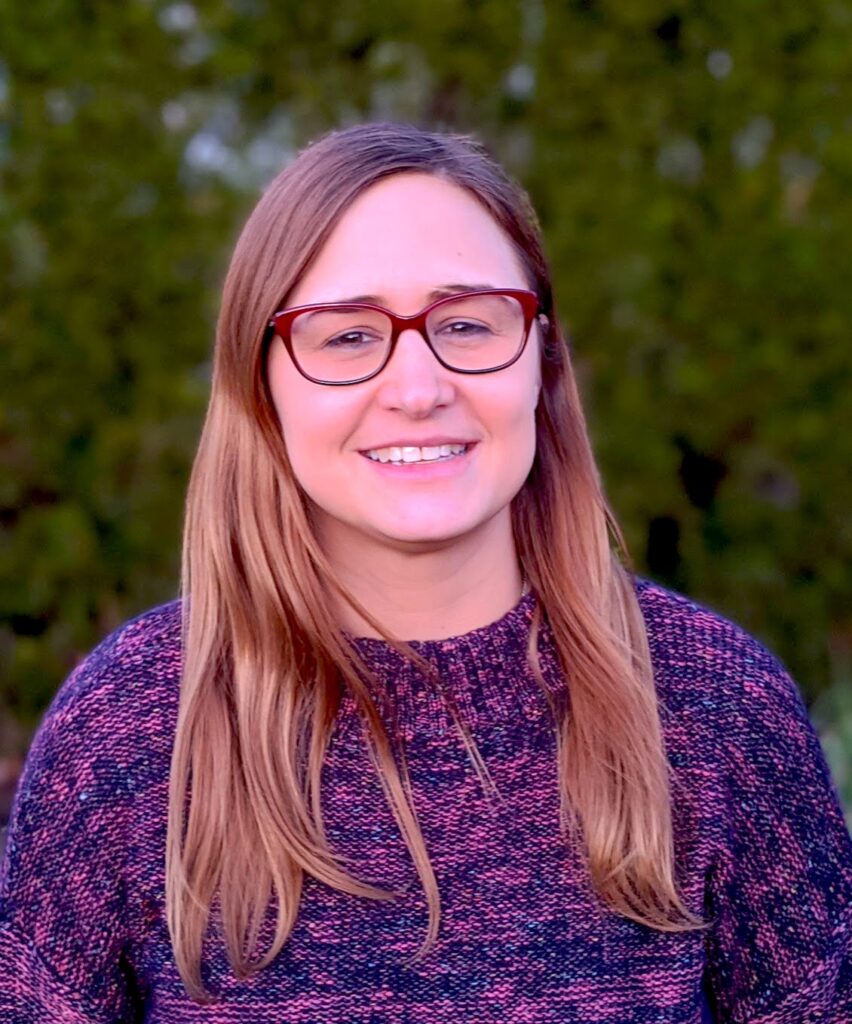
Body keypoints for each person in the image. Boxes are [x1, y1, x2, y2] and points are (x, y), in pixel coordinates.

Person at [0, 122, 849, 1024]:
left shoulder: (713, 705)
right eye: (347, 336)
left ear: (542, 360)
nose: (417, 385)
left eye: (467, 324)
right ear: (262, 383)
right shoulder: (133, 729)